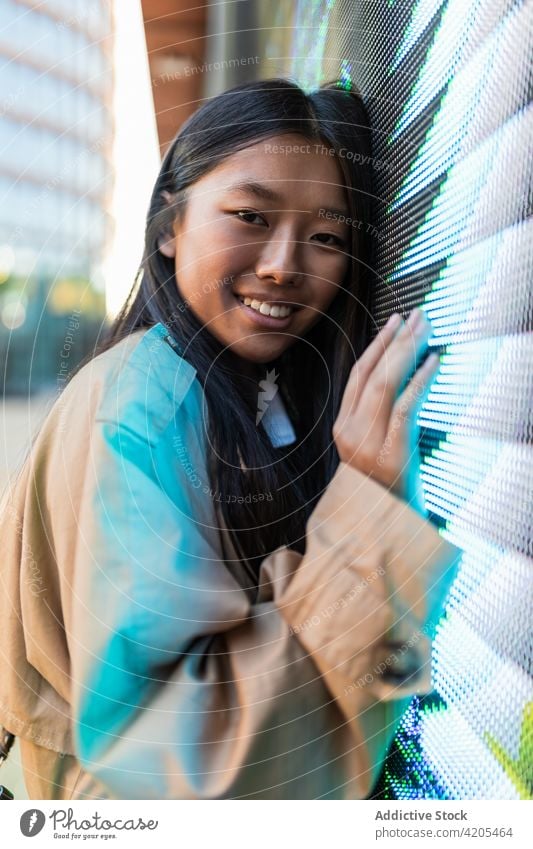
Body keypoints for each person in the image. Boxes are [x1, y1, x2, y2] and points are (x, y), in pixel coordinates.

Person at [0, 79, 460, 800]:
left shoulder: (235, 389)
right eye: (250, 215)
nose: (283, 262)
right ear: (168, 225)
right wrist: (367, 510)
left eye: (327, 236)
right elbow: (196, 764)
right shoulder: (140, 405)